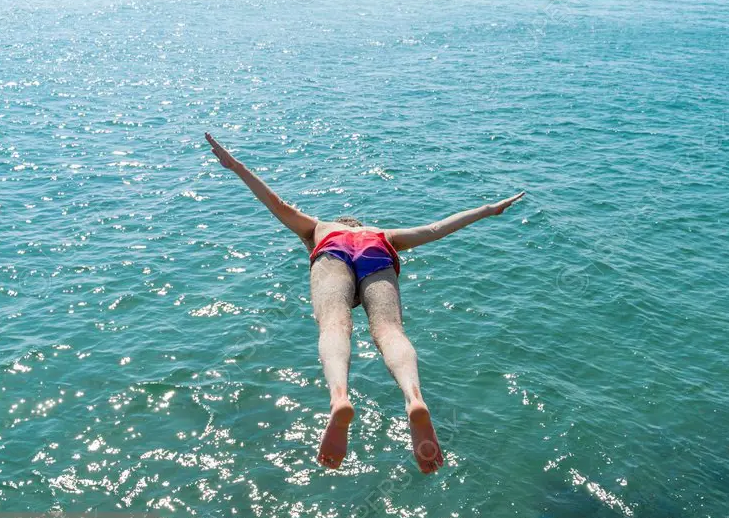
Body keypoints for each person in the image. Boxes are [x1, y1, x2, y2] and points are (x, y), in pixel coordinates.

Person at [205, 133, 524, 473]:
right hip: (378, 255)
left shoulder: (319, 228)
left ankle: (340, 398)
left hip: (332, 253)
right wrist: (488, 210)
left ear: (341, 223)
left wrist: (236, 166)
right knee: (389, 330)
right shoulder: (382, 233)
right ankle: (414, 398)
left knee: (334, 324)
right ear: (359, 224)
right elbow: (436, 229)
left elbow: (278, 205)